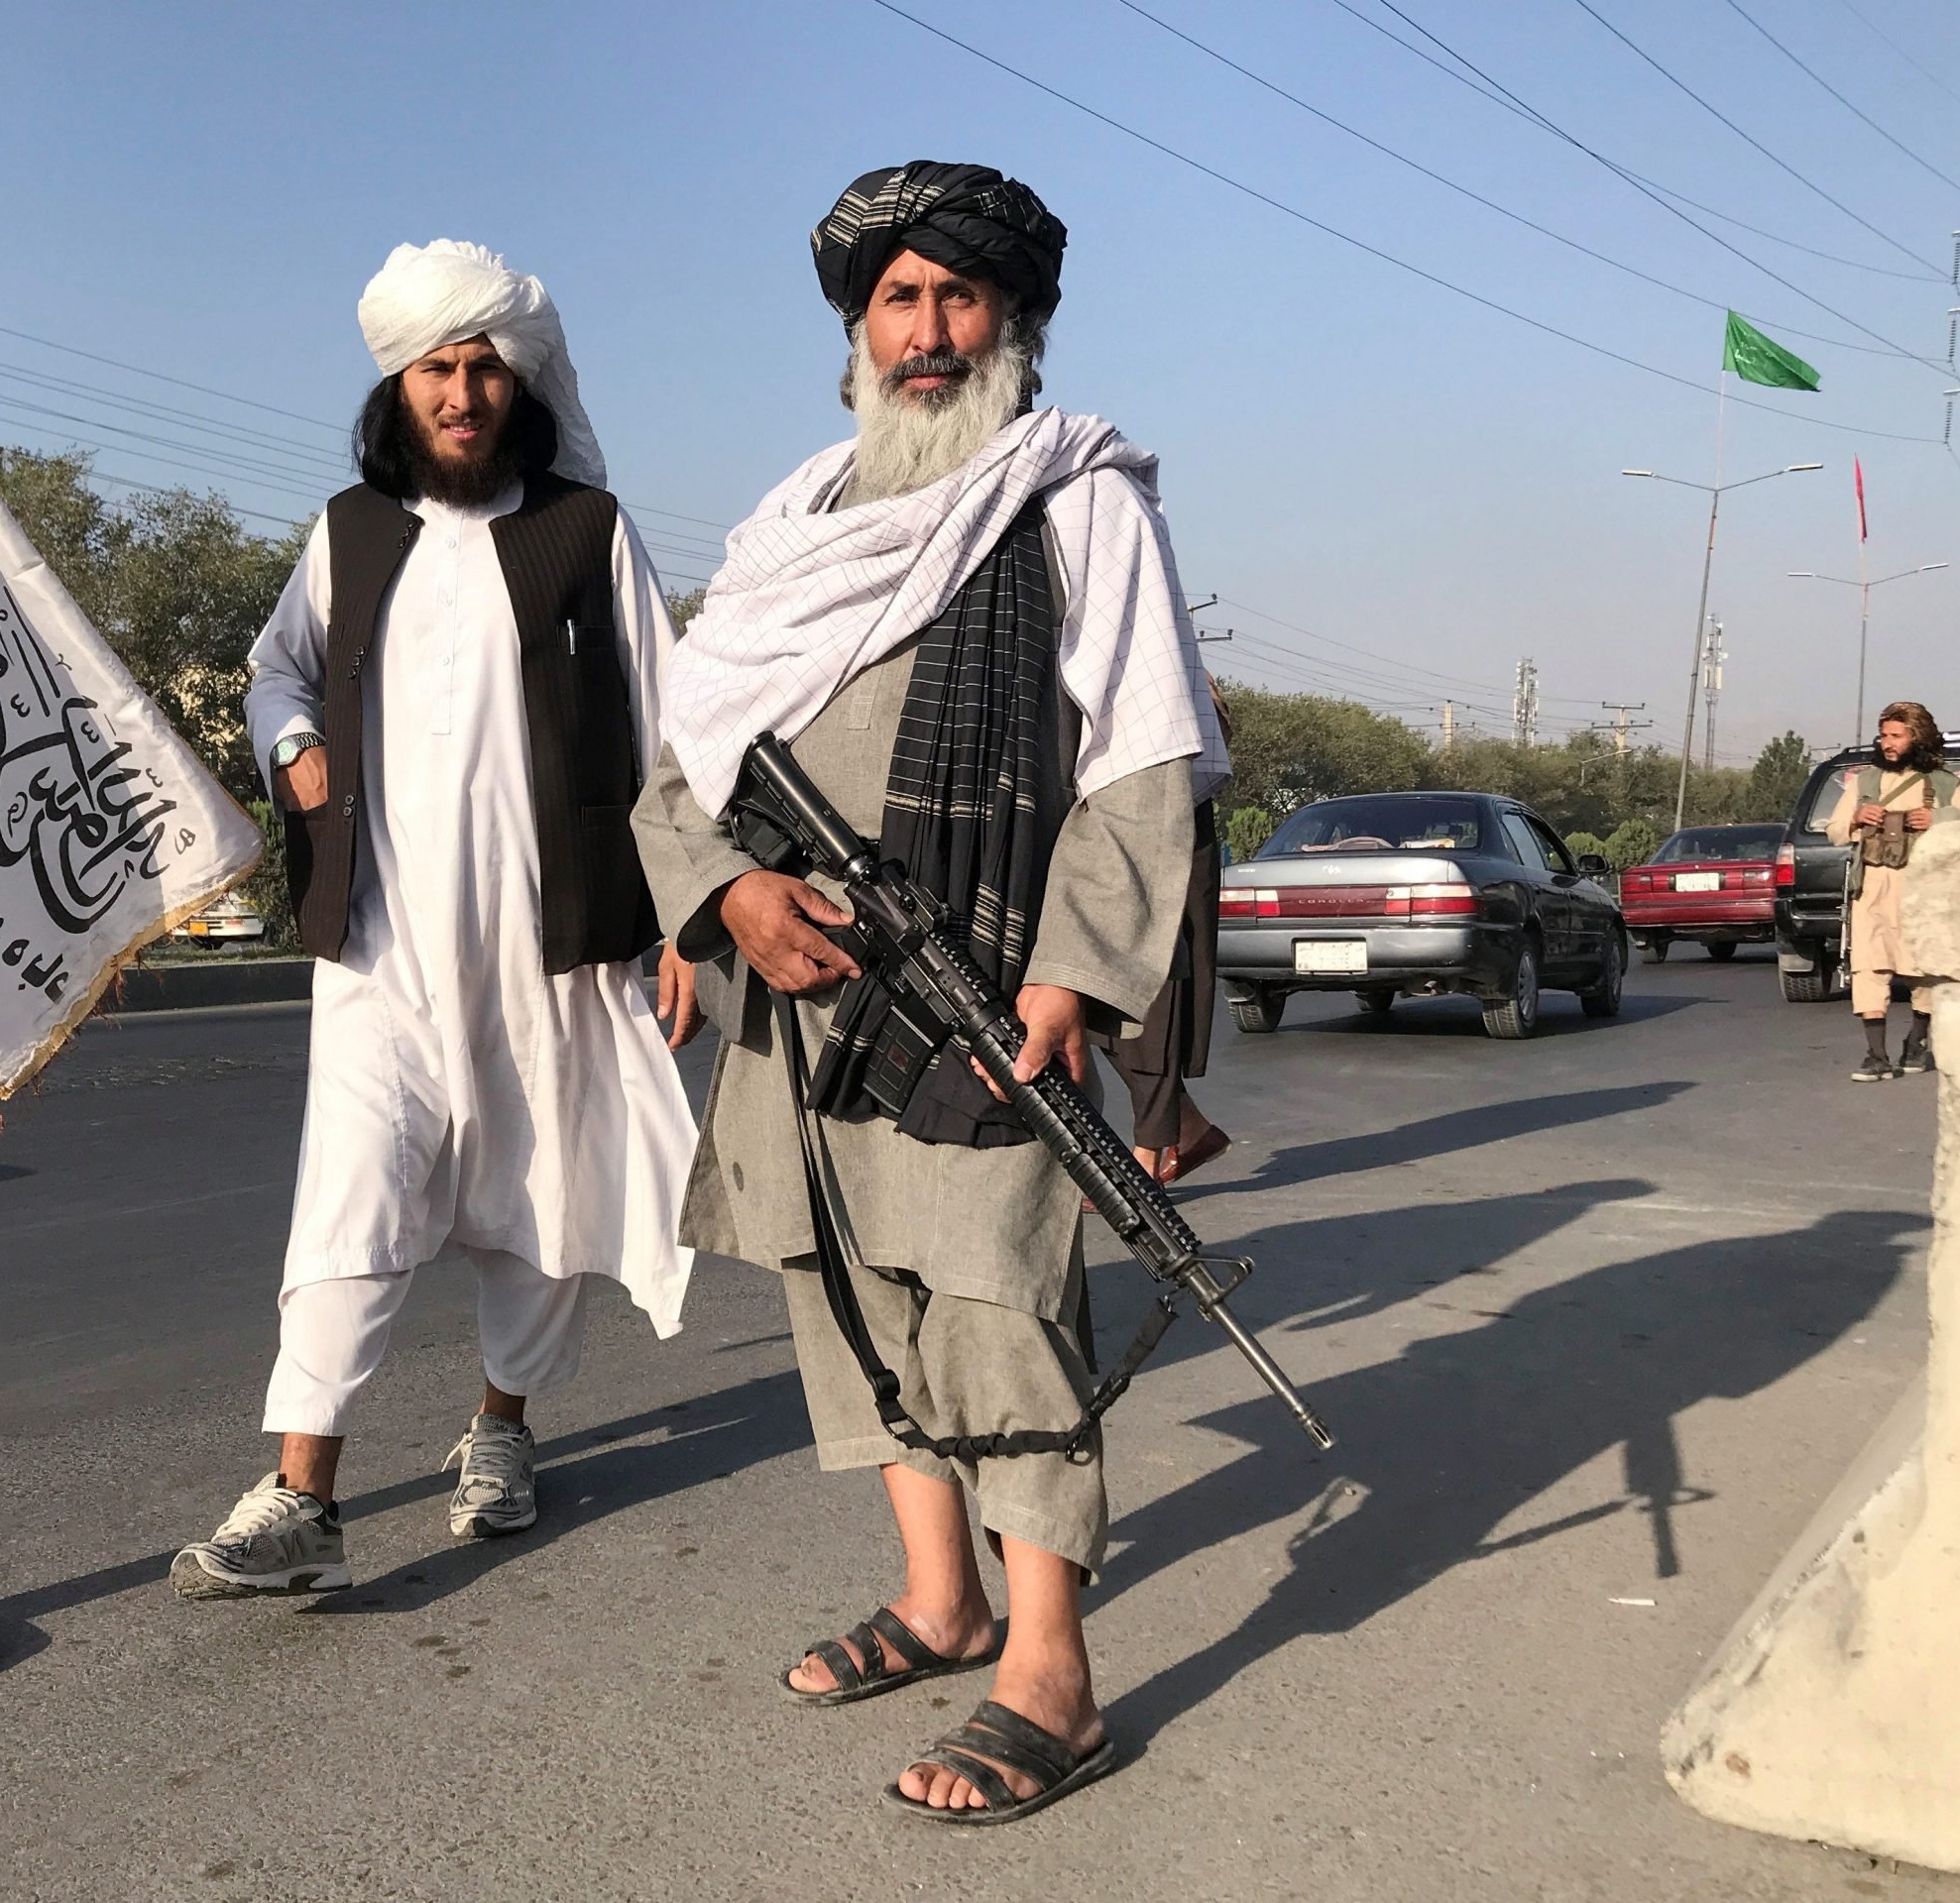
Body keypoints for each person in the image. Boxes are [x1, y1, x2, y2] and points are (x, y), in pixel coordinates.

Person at [633, 162, 1223, 1822]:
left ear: (1014, 320)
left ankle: (1050, 1665)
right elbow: (682, 765)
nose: (929, 331)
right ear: (855, 331)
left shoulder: (1071, 500)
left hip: (982, 992)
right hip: (797, 988)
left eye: (960, 297)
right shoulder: (788, 528)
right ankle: (937, 1597)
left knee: (996, 1302)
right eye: (899, 299)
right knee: (845, 1294)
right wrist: (732, 893)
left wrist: (1076, 974)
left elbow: (1144, 764)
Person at [172, 241, 702, 1600]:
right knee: (347, 1200)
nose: (462, 394)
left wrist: (689, 921)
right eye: (435, 371)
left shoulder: (588, 530)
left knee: (543, 1195)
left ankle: (502, 1432)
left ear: (518, 383)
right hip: (380, 943)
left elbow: (671, 723)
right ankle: (303, 1496)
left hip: (558, 940)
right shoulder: (350, 530)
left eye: (483, 368)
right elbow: (276, 667)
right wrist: (291, 743)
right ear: (396, 387)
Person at [1102, 681, 1231, 1186]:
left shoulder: (1170, 670)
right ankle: (1187, 1129)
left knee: (1147, 1001)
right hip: (1123, 831)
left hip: (1166, 831)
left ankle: (1151, 1150)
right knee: (1095, 1005)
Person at [1823, 700, 1960, 1082]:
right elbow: (1835, 829)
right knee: (1868, 968)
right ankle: (1876, 1056)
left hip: (1922, 891)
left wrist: (1940, 818)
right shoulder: (1866, 781)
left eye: (1896, 735)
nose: (1887, 743)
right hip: (1873, 887)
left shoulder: (1942, 784)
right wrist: (1858, 817)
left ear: (1916, 737)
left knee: (1922, 970)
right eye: (1884, 735)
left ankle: (1916, 1042)